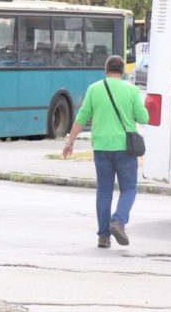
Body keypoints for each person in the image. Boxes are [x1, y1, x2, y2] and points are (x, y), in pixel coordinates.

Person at [63, 55, 149, 249]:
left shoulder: (94, 89)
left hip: (101, 148)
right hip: (125, 149)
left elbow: (82, 118)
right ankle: (118, 222)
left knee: (104, 191)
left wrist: (69, 142)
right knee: (129, 188)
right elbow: (144, 118)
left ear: (106, 70)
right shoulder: (132, 90)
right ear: (124, 71)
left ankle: (103, 236)